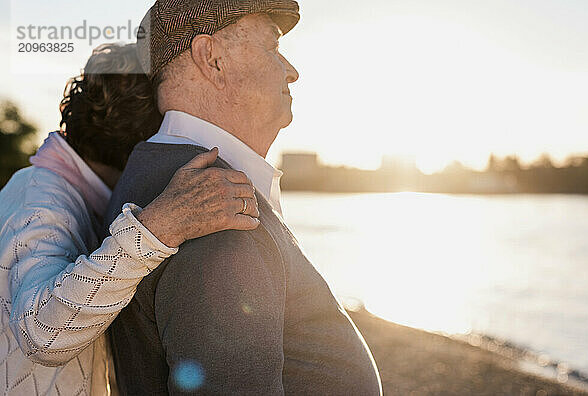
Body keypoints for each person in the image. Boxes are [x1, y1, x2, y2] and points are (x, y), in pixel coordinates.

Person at [105, 1, 383, 394]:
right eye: (272, 46)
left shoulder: (168, 175)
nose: (292, 71)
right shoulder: (212, 208)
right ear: (212, 59)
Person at [0, 43, 260, 395]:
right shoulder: (41, 203)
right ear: (147, 142)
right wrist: (162, 226)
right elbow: (42, 335)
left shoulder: (44, 186)